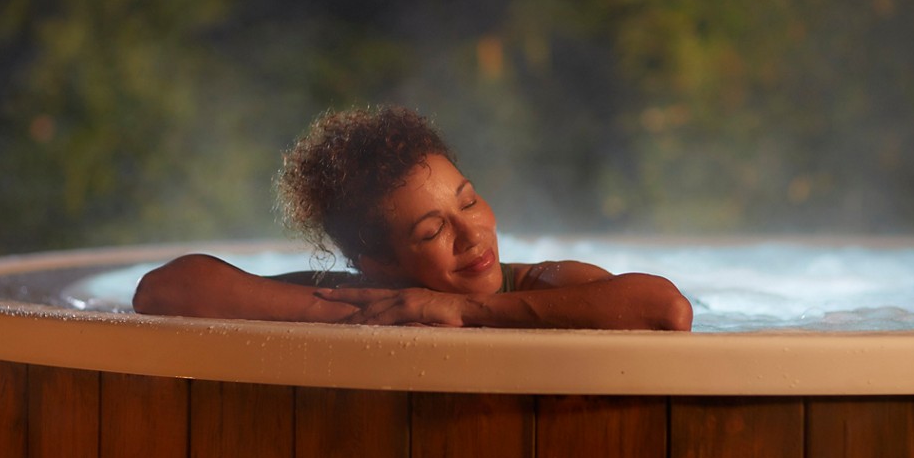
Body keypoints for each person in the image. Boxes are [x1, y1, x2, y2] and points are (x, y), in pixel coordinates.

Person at [133, 105, 693, 331]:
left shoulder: (544, 282)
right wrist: (368, 314)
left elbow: (666, 308)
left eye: (468, 200)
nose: (473, 234)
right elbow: (164, 291)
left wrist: (462, 308)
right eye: (431, 230)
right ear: (377, 263)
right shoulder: (371, 296)